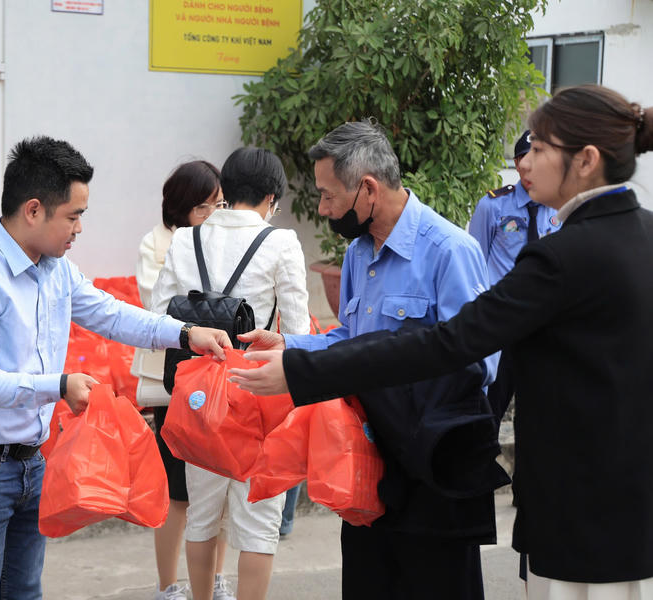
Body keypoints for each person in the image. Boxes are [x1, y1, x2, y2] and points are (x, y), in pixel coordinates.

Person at [231, 85, 653, 599]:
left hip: (476, 475)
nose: (523, 162)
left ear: (585, 160)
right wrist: (295, 350)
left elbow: (452, 346)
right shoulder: (636, 234)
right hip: (377, 458)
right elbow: (363, 337)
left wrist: (303, 373)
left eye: (540, 148)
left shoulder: (537, 255)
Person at [0, 136, 231, 600]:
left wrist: (186, 334)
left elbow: (111, 314)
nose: (80, 228)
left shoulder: (55, 268)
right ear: (33, 210)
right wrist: (59, 385)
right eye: (73, 216)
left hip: (30, 461)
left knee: (24, 592)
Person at [231, 119, 497, 599]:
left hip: (433, 463)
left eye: (328, 195)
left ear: (369, 189)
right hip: (366, 457)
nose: (323, 208)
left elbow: (481, 363)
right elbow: (352, 339)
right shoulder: (358, 253)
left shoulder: (449, 251)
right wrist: (290, 347)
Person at [152, 147, 310, 600]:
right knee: (258, 523)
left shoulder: (186, 239)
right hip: (256, 392)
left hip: (198, 393)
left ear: (226, 189)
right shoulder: (281, 242)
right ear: (270, 198)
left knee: (201, 516)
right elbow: (298, 331)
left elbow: (157, 313)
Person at [135, 159, 234, 600]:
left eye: (220, 204)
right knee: (177, 495)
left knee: (221, 488)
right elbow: (157, 306)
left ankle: (216, 578)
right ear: (180, 207)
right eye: (204, 206)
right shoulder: (157, 243)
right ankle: (168, 585)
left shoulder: (225, 242)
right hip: (174, 384)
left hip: (218, 379)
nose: (214, 215)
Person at [468, 130, 561, 421]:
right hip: (502, 321)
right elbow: (475, 265)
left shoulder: (561, 206)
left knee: (542, 410)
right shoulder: (493, 205)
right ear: (518, 163)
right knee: (491, 406)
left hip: (544, 322)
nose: (530, 166)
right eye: (524, 158)